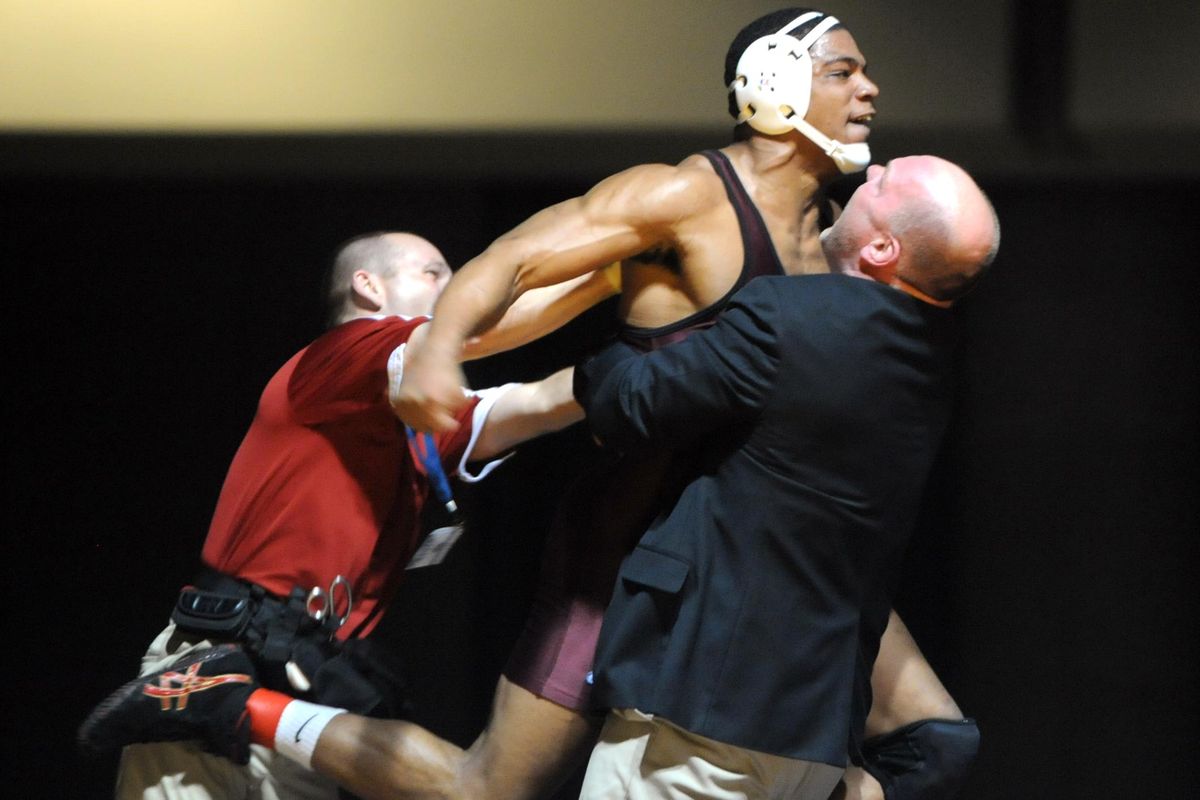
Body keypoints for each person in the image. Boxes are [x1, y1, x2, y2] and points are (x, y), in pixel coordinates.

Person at [83, 8, 978, 799]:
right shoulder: (683, 198)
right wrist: (435, 347)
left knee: (936, 744)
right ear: (773, 85)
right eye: (843, 71)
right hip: (634, 555)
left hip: (755, 556)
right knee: (491, 790)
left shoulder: (829, 251)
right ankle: (233, 703)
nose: (870, 90)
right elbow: (515, 268)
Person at [96, 231, 604, 799]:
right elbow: (473, 330)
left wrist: (655, 357)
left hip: (305, 679)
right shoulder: (339, 357)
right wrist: (611, 273)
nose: (455, 285)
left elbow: (539, 403)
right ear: (368, 287)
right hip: (217, 661)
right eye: (434, 272)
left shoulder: (412, 416)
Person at [572, 154, 1000, 799]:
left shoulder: (787, 316)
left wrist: (634, 324)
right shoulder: (936, 357)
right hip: (814, 732)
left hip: (704, 715)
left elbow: (628, 405)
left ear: (884, 246)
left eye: (883, 183)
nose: (872, 168)